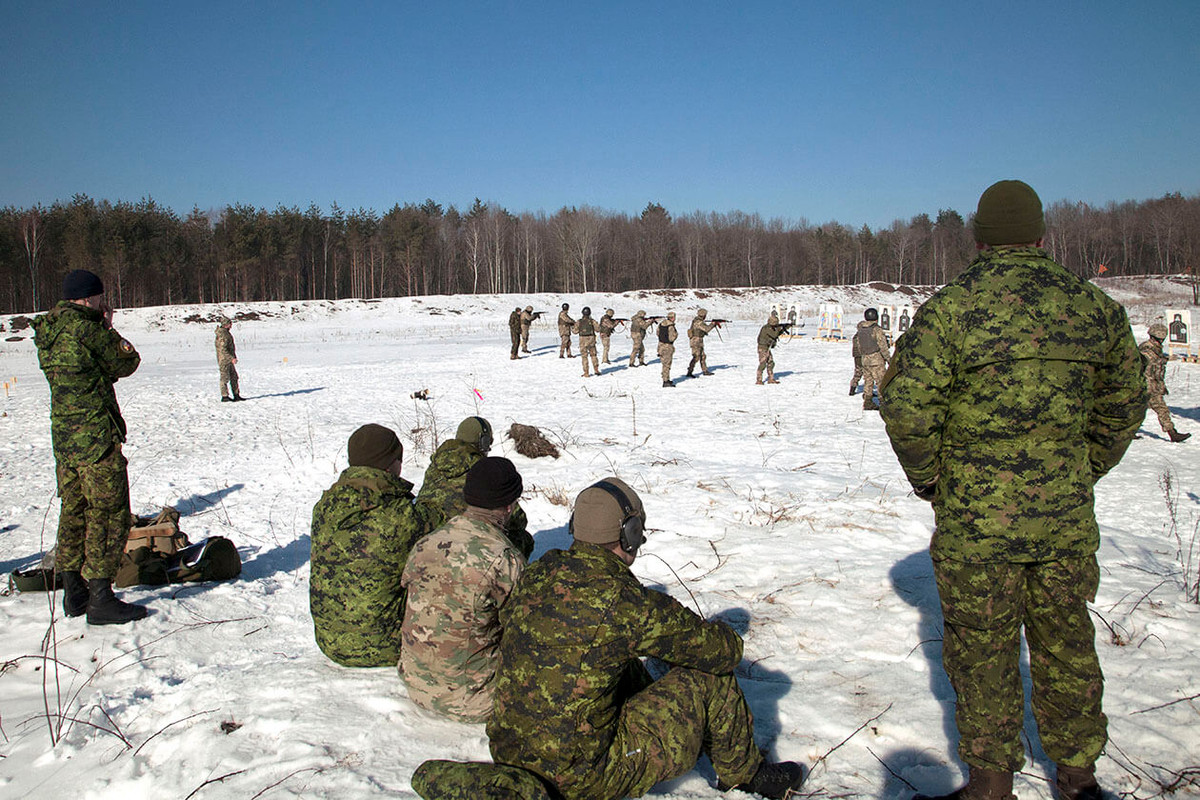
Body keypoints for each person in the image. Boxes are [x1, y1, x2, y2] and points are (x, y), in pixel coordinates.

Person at [880, 180, 1148, 800]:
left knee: (982, 651)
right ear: (1041, 235)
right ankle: (1078, 779)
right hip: (1062, 520)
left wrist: (936, 481)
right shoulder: (1094, 310)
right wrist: (1079, 470)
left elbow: (907, 406)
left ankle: (991, 782)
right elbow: (1126, 402)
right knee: (1067, 647)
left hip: (977, 526)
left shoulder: (951, 310)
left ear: (977, 239)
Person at [486, 478, 807, 800]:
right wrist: (717, 630)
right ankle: (747, 776)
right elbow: (723, 652)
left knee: (612, 662)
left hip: (510, 754)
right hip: (578, 777)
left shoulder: (542, 570)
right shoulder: (624, 602)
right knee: (709, 677)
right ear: (629, 533)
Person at [32, 269, 147, 625]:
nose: (103, 303)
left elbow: (92, 370)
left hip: (65, 438)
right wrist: (108, 327)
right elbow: (126, 362)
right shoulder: (89, 330)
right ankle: (100, 596)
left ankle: (73, 591)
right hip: (95, 437)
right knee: (108, 513)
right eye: (99, 298)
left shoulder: (49, 330)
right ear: (87, 299)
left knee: (75, 510)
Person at [400, 457, 526, 722]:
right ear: (509, 505)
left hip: (415, 685)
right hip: (473, 701)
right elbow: (524, 627)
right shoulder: (503, 557)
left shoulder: (426, 543)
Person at [310, 424, 437, 667]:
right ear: (390, 465)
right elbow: (439, 519)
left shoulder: (325, 507)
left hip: (328, 641)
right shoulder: (398, 516)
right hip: (385, 646)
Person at [416, 416, 534, 558]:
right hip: (465, 544)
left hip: (425, 543)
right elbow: (517, 519)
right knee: (522, 537)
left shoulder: (435, 465)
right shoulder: (482, 472)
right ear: (483, 442)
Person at [1140, 323, 1191, 442]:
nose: (1160, 341)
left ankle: (1172, 433)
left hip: (1154, 387)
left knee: (1162, 409)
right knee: (1135, 411)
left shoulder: (1157, 349)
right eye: (1159, 339)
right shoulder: (1146, 349)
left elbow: (1157, 370)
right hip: (1144, 387)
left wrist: (1161, 386)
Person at [852, 308, 890, 410]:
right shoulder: (877, 330)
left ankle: (868, 402)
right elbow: (883, 346)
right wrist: (889, 359)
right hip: (876, 360)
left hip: (865, 359)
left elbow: (859, 346)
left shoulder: (861, 329)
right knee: (881, 382)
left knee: (868, 382)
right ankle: (884, 403)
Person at [215, 315, 242, 401]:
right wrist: (231, 358)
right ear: (226, 324)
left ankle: (236, 394)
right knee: (224, 378)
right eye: (230, 324)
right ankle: (225, 396)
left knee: (234, 377)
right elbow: (223, 350)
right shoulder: (222, 335)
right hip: (224, 360)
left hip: (229, 359)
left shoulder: (226, 333)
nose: (231, 326)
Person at [756, 311, 785, 385]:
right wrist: (779, 329)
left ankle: (771, 379)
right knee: (763, 364)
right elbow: (774, 335)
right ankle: (759, 380)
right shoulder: (766, 328)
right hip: (763, 348)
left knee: (771, 363)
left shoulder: (770, 328)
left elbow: (776, 334)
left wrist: (784, 329)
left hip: (767, 348)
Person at [686, 308, 717, 377]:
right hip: (695, 340)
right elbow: (706, 329)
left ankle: (705, 371)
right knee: (696, 357)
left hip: (699, 340)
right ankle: (689, 372)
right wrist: (712, 324)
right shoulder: (698, 322)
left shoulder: (699, 321)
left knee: (703, 356)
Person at [576, 307, 601, 376]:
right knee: (593, 355)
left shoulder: (579, 321)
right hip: (591, 340)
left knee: (584, 356)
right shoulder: (592, 321)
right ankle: (596, 370)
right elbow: (598, 329)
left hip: (582, 340)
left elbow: (575, 331)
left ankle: (586, 372)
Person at [658, 311, 678, 387]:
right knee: (667, 364)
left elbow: (658, 333)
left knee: (664, 363)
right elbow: (671, 338)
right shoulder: (671, 326)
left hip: (660, 345)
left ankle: (665, 378)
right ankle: (665, 381)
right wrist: (676, 335)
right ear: (672, 318)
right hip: (667, 346)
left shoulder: (661, 324)